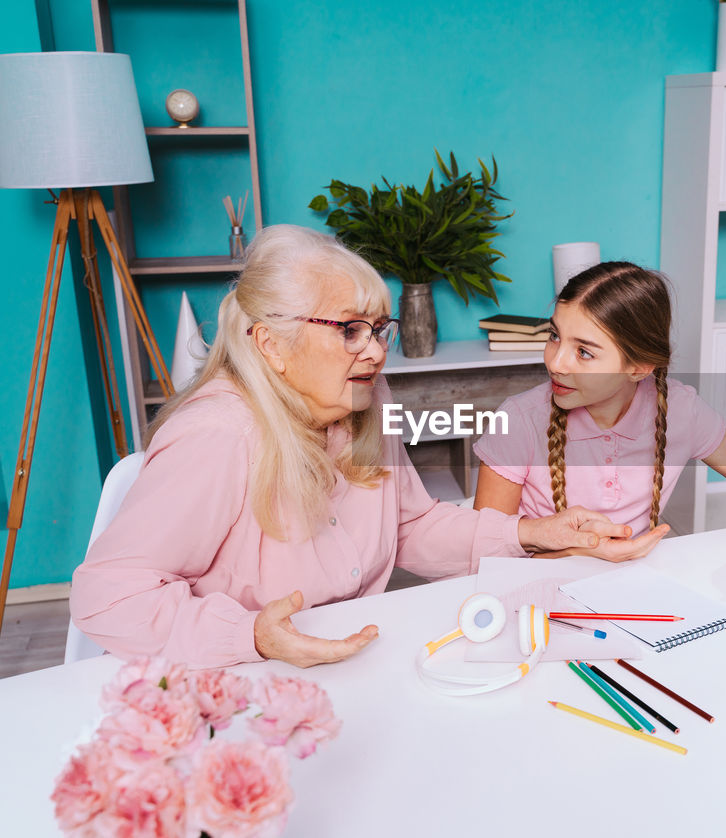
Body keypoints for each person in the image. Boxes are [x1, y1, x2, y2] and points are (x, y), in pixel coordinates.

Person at [70, 226, 649, 670]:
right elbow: (106, 597)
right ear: (271, 343)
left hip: (353, 664)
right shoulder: (219, 434)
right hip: (240, 683)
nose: (375, 352)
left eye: (378, 328)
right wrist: (250, 636)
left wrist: (532, 534)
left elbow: (410, 529)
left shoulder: (362, 401)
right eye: (349, 329)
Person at [473, 261, 726, 555]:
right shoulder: (519, 420)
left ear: (639, 367)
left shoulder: (681, 410)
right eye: (554, 337)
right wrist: (577, 553)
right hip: (538, 590)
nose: (556, 362)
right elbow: (485, 553)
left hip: (632, 587)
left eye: (584, 352)